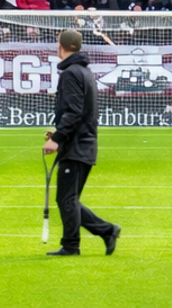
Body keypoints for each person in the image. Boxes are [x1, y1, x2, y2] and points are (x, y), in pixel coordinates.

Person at [43, 27, 119, 257]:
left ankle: (72, 245)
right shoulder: (84, 71)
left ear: (61, 46)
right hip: (83, 143)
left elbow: (74, 112)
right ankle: (106, 231)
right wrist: (57, 132)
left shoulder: (71, 73)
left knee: (66, 198)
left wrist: (57, 138)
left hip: (77, 145)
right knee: (68, 198)